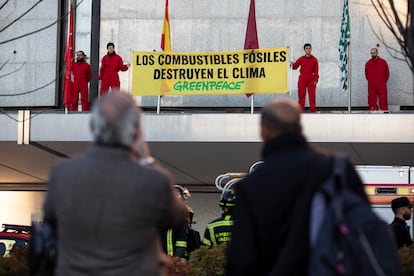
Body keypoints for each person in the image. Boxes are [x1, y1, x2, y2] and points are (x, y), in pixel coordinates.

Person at [43, 91, 187, 275]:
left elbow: (50, 223)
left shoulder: (61, 174)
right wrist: (147, 160)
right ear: (137, 132)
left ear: (92, 125)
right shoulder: (153, 179)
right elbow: (179, 217)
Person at [225, 98, 368, 276]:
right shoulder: (338, 168)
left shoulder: (251, 186)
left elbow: (242, 259)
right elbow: (365, 229)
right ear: (300, 128)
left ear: (264, 132)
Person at [290, 43, 319, 113]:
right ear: (304, 50)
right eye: (307, 48)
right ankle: (300, 110)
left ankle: (313, 110)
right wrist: (292, 64)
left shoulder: (314, 59)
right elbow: (295, 66)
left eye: (309, 48)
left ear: (311, 49)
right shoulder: (301, 59)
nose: (308, 50)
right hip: (302, 78)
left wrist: (316, 79)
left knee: (312, 96)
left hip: (311, 79)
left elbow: (316, 71)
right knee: (301, 95)